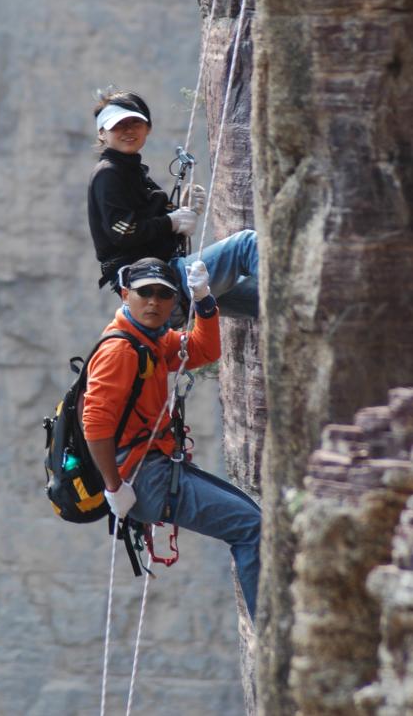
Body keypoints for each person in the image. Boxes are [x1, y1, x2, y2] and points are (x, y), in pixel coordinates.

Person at [82, 256, 262, 619]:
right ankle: (274, 639)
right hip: (143, 478)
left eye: (163, 295)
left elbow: (203, 351)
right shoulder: (122, 350)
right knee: (252, 529)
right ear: (124, 294)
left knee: (254, 519)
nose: (154, 302)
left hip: (154, 469)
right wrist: (115, 488)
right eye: (144, 293)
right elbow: (95, 426)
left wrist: (204, 302)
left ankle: (273, 628)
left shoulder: (150, 340)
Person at [87, 89, 259, 320]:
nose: (128, 130)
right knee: (246, 245)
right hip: (156, 283)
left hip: (161, 286)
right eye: (118, 125)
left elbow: (147, 231)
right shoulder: (109, 174)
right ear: (102, 133)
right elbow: (122, 231)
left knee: (259, 299)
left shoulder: (131, 172)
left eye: (135, 123)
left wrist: (181, 213)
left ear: (147, 128)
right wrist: (171, 221)